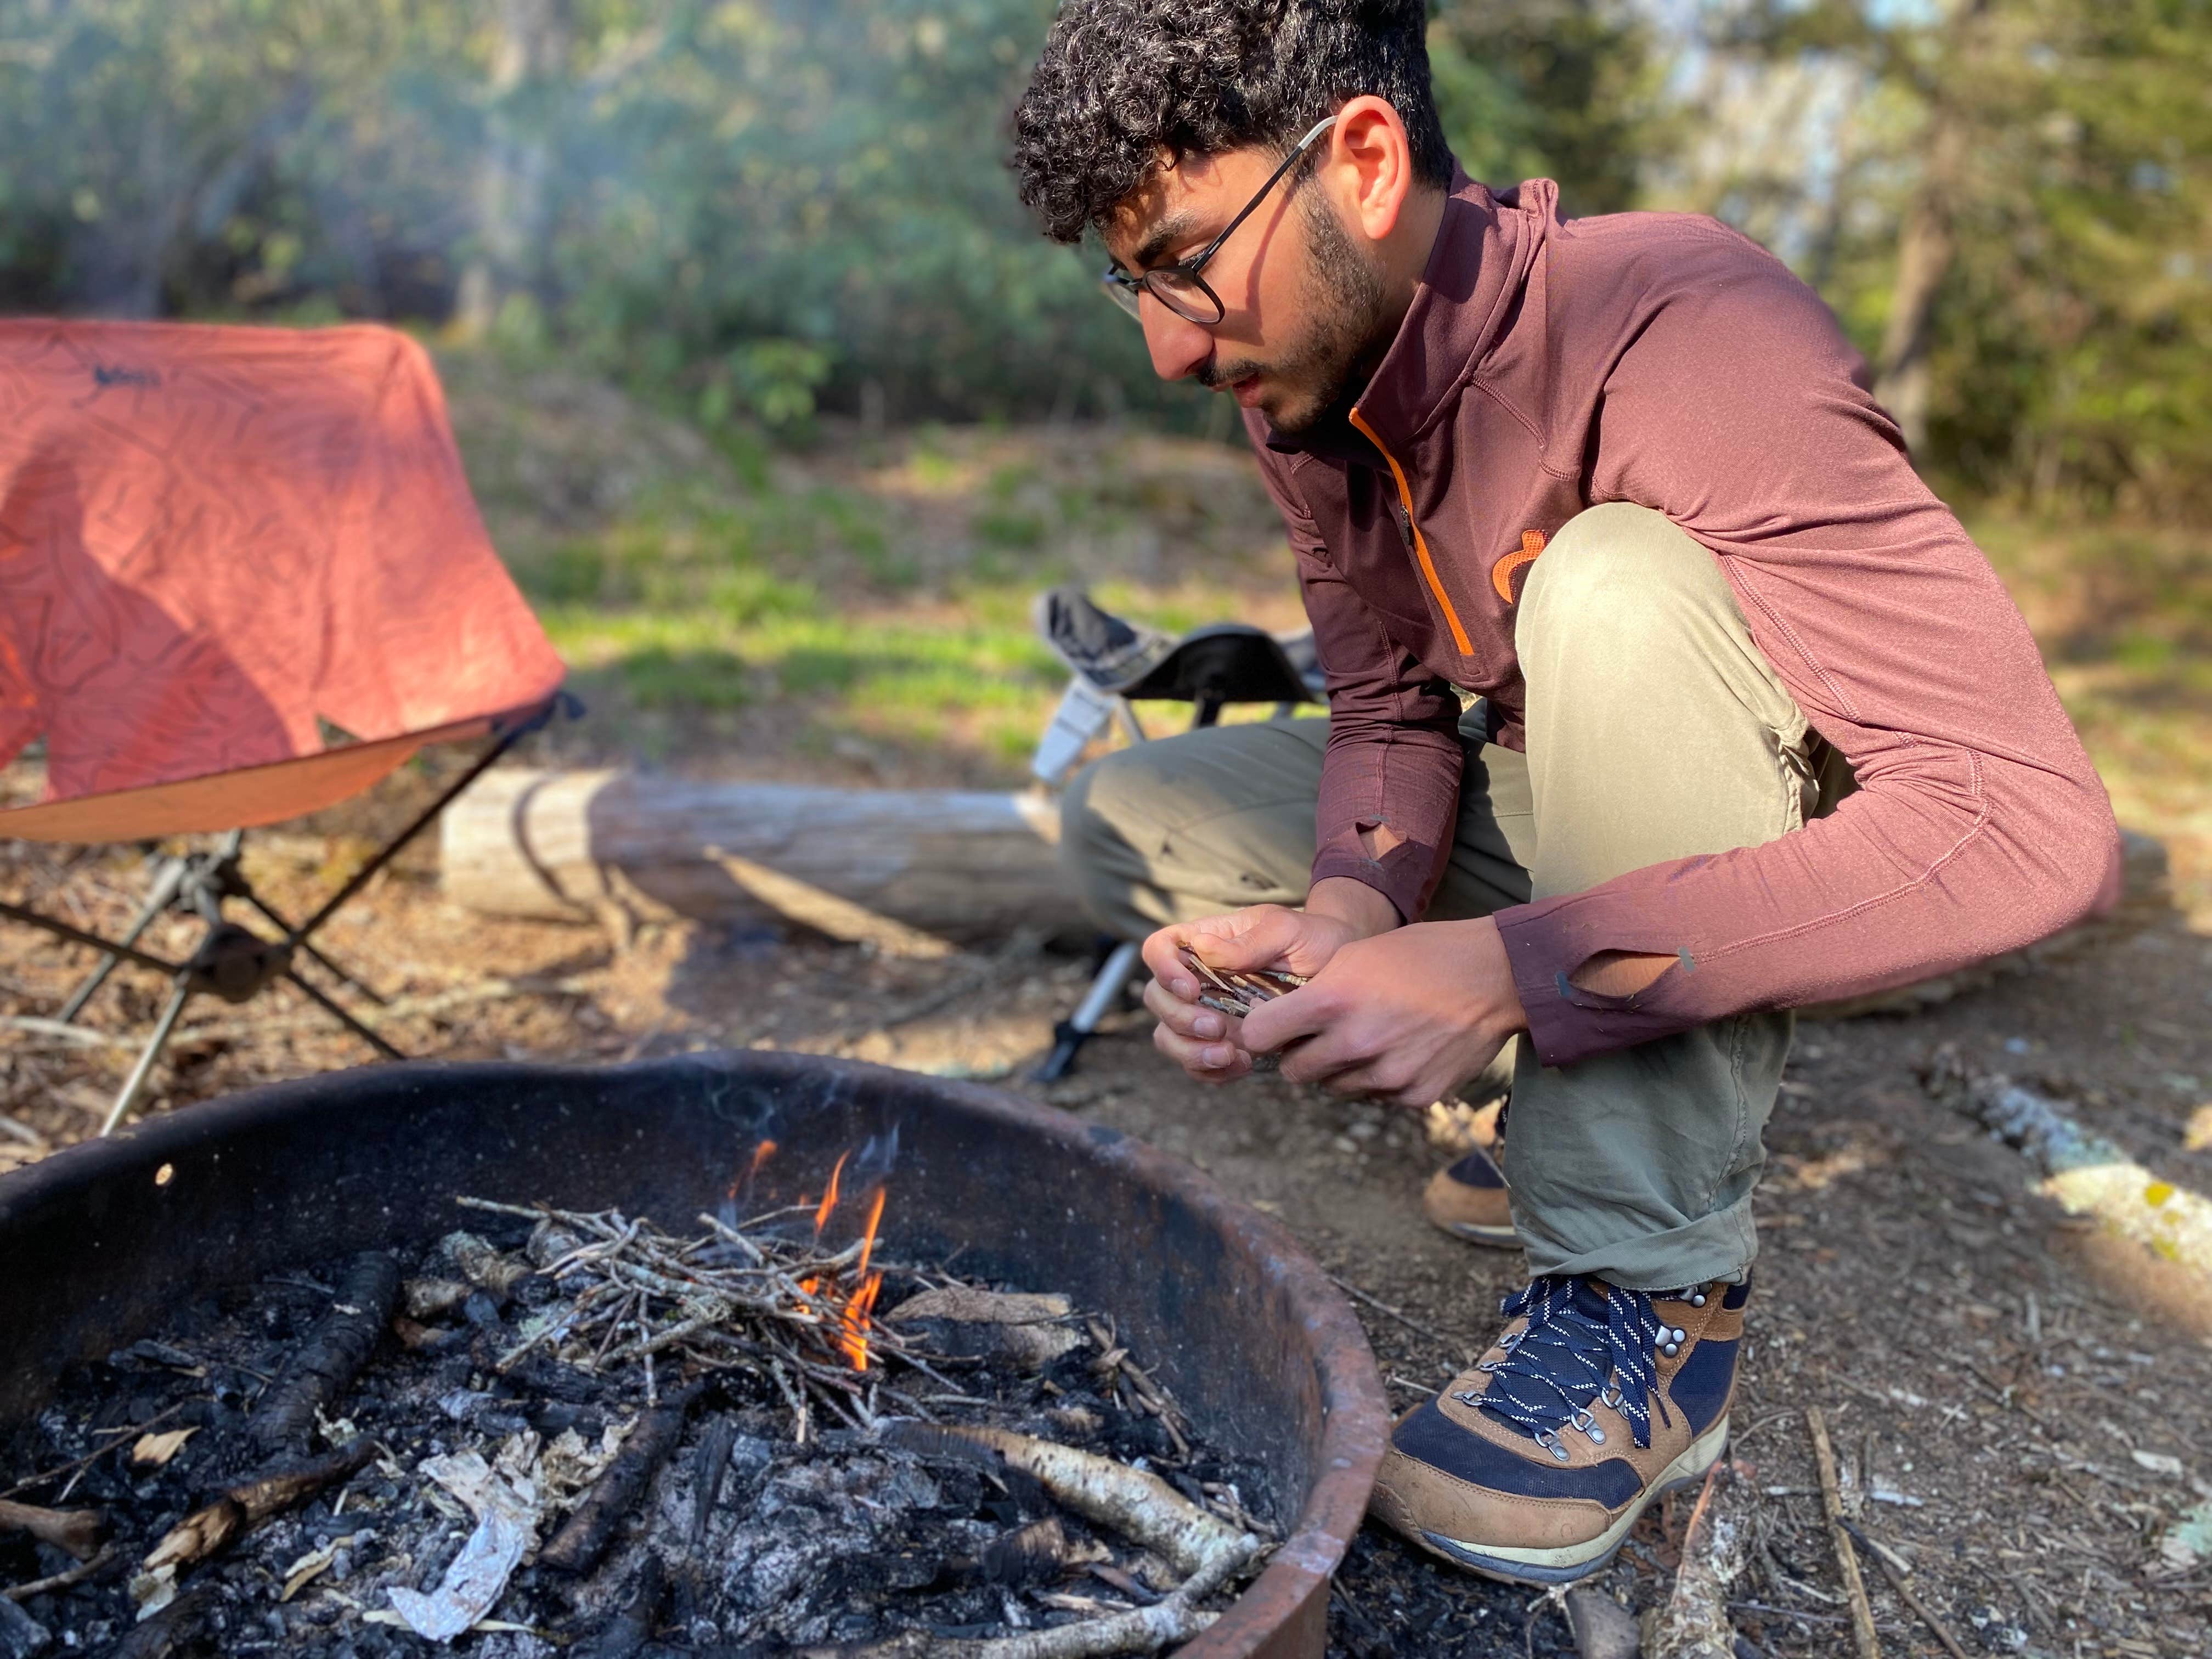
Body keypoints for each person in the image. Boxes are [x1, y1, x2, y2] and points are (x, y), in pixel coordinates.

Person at [1009, 0, 2120, 1588]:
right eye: (1132, 284)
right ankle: (1558, 1091)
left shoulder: (1687, 322)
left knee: (1609, 585)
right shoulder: (1310, 382)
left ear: (1368, 163)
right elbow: (1390, 710)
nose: (1170, 346)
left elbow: (2023, 821)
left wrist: (1496, 970)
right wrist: (1343, 918)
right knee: (1129, 817)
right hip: (1549, 798)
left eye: (1185, 261)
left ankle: (1645, 1304)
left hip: (1781, 825)